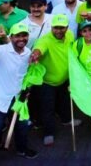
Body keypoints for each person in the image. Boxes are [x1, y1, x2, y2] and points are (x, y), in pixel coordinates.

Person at [0, 23, 37, 164]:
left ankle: (22, 149)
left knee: (22, 126)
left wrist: (26, 90)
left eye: (24, 35)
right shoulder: (1, 50)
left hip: (17, 98)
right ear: (11, 37)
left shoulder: (27, 53)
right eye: (17, 36)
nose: (21, 39)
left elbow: (24, 75)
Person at [29, 14, 78, 146]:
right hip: (47, 82)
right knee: (47, 108)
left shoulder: (70, 35)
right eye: (55, 28)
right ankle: (48, 133)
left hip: (65, 79)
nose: (58, 31)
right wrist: (35, 54)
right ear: (51, 27)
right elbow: (39, 49)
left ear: (67, 27)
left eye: (62, 28)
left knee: (65, 102)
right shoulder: (45, 40)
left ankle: (67, 120)